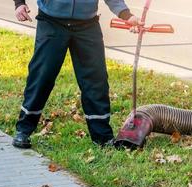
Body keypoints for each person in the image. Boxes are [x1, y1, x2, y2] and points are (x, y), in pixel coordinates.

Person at [12, 0, 143, 148]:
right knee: (42, 76)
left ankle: (102, 138)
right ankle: (23, 131)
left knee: (96, 80)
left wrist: (126, 15)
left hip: (87, 25)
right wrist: (19, 3)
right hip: (51, 22)